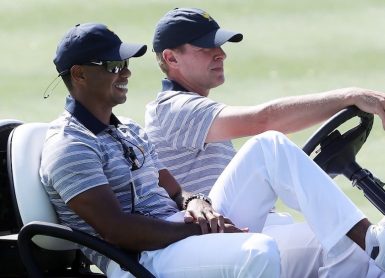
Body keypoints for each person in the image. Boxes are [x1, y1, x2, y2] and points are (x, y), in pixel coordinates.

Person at [145, 7, 385, 277]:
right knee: (269, 146)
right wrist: (349, 96)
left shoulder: (198, 107)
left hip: (254, 228)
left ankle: (372, 245)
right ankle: (375, 242)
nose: (221, 54)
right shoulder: (172, 108)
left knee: (352, 246)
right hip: (207, 239)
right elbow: (264, 120)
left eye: (220, 46)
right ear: (171, 58)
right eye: (205, 48)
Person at [39, 22, 282, 278]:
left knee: (269, 147)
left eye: (126, 64)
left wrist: (193, 201)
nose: (126, 73)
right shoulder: (70, 145)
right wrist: (199, 230)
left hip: (174, 236)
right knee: (258, 251)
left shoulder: (129, 129)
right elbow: (117, 230)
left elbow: (174, 189)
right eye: (113, 66)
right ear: (79, 74)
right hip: (140, 259)